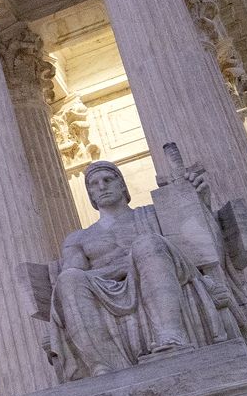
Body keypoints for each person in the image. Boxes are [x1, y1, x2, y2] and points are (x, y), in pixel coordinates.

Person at [45, 161, 200, 378]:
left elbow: (195, 244)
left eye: (108, 180)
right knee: (69, 279)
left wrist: (198, 197)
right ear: (90, 194)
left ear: (122, 185)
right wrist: (125, 267)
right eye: (94, 183)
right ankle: (103, 364)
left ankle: (170, 335)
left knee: (147, 244)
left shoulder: (152, 215)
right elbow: (73, 275)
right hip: (105, 289)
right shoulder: (79, 238)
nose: (101, 186)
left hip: (154, 273)